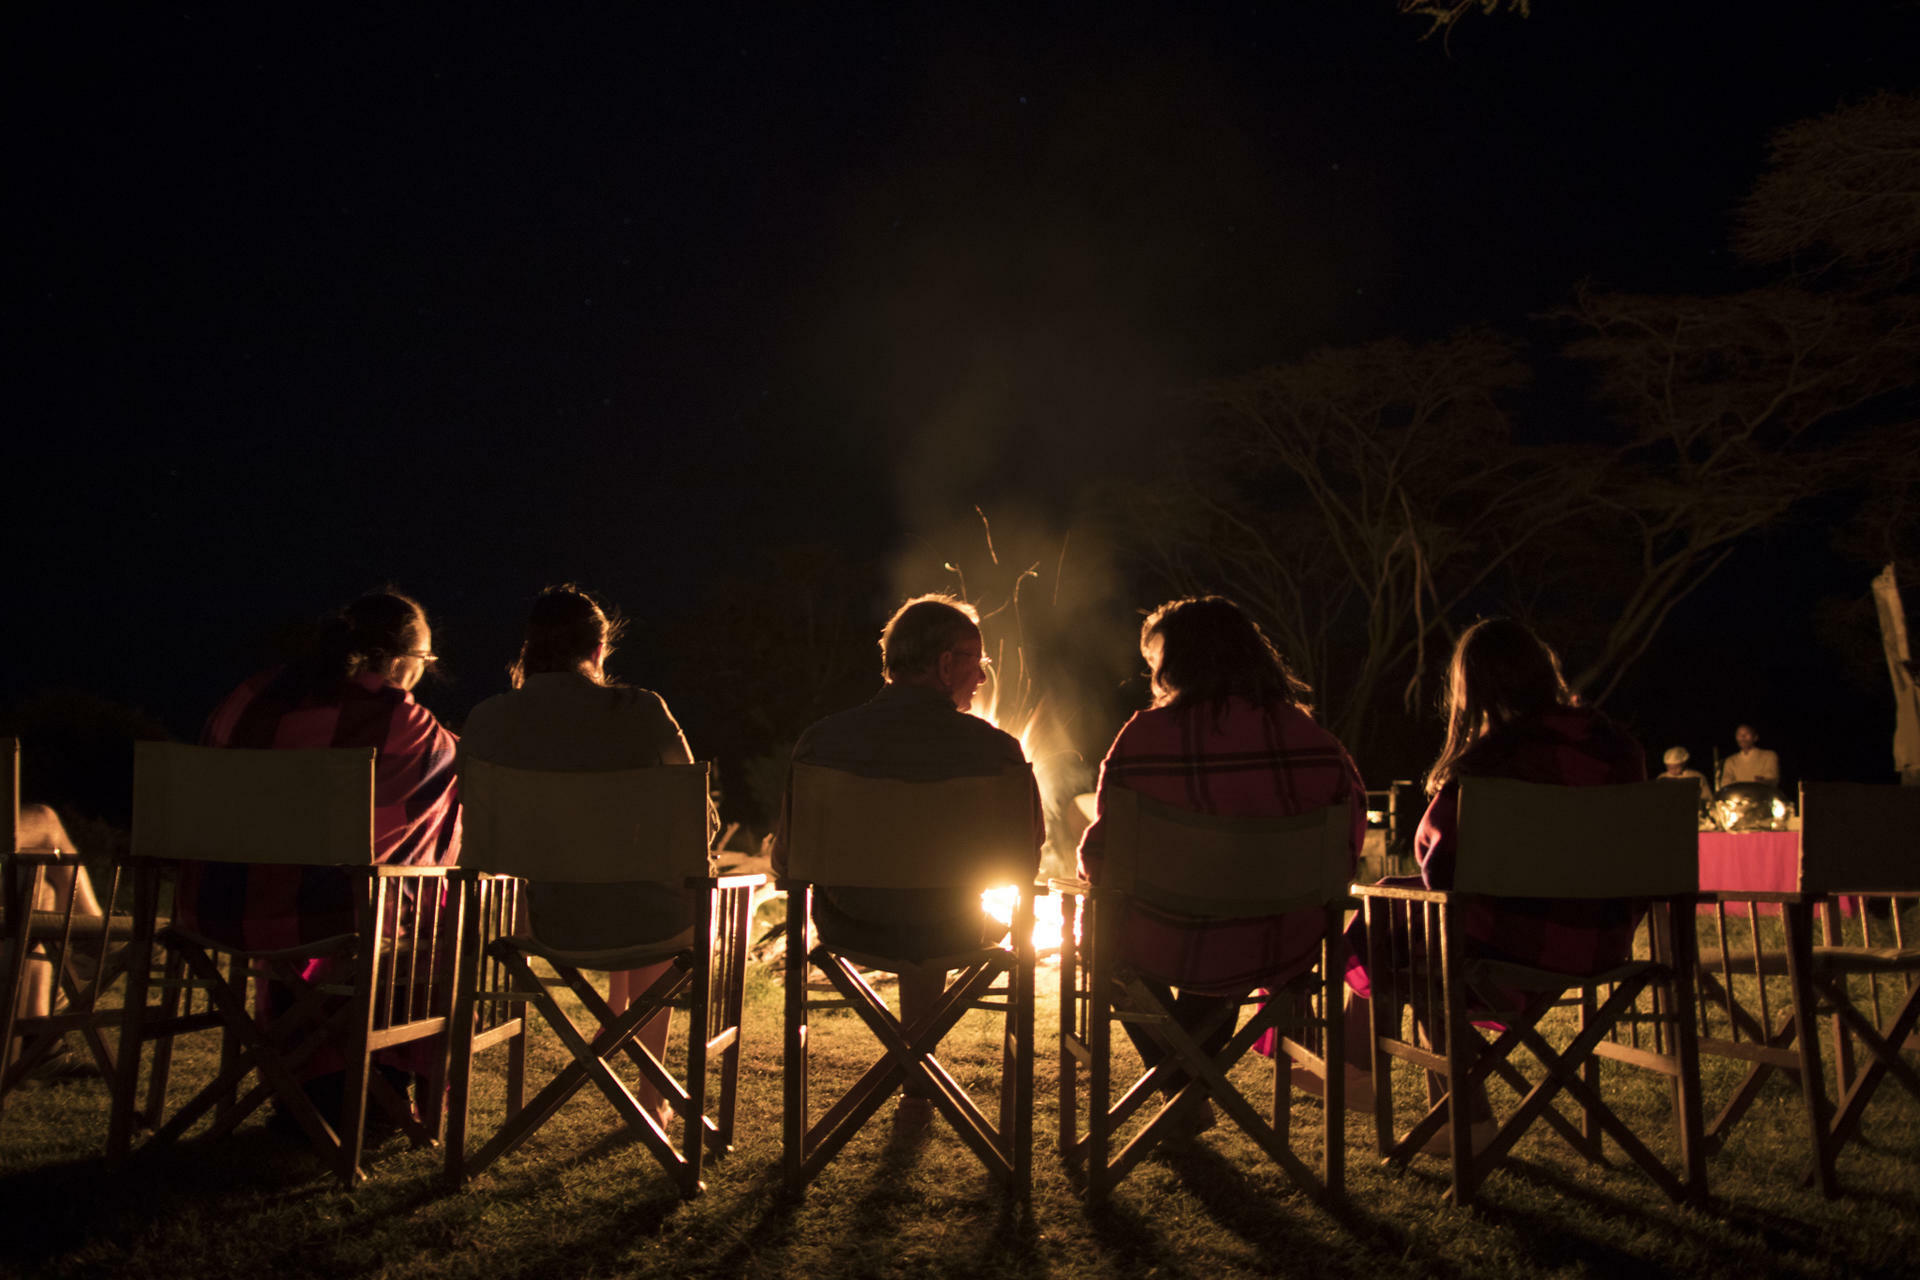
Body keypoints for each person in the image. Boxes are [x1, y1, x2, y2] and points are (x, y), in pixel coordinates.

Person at [1337, 618, 1647, 1149]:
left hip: (1513, 947)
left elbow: (1443, 873)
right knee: (1409, 913)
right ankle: (1367, 1073)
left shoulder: (1492, 762)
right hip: (1603, 944)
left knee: (1404, 923)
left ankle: (1425, 1098)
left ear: (1471, 689)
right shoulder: (1617, 748)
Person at [1076, 596, 1366, 1144]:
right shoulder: (1315, 744)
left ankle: (1179, 1090)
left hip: (1157, 938)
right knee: (1227, 940)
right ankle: (1190, 1089)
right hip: (1275, 942)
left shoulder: (1143, 738)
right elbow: (1345, 851)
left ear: (1176, 662)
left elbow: (1102, 858)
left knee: (1111, 941)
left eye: (1156, 660)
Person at [177, 589, 461, 1132]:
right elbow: (450, 781)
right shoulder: (400, 722)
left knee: (362, 888)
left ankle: (309, 1077)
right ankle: (385, 1071)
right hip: (329, 924)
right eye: (425, 659)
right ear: (396, 660)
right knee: (423, 888)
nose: (424, 672)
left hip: (213, 913)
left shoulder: (251, 695)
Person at [770, 593, 1043, 1150]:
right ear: (944, 665)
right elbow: (1025, 859)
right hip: (955, 928)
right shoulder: (996, 751)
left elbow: (787, 862)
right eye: (977, 661)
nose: (982, 678)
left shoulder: (822, 742)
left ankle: (911, 1079)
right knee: (937, 908)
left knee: (922, 905)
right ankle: (918, 1078)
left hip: (851, 924)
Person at [459, 584, 716, 1129]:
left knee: (629, 891)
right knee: (655, 899)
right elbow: (700, 823)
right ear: (599, 649)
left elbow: (479, 833)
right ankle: (652, 1095)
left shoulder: (488, 719)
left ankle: (616, 1023)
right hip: (652, 920)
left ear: (529, 647)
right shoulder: (642, 710)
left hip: (549, 921)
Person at [1716, 724, 1780, 789]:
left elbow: (1772, 779)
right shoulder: (1730, 761)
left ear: (1755, 737)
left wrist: (1763, 782)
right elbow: (1725, 784)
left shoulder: (1769, 756)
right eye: (1739, 734)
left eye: (1747, 734)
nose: (1743, 737)